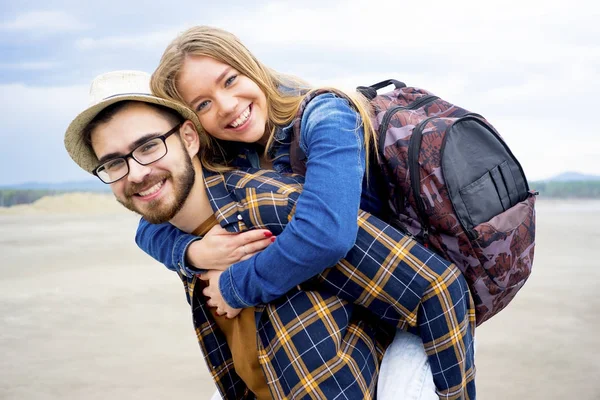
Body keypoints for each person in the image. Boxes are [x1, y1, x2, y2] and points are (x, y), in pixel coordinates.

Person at [64, 71, 474, 399]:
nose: (136, 172)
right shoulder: (182, 234)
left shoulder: (273, 207)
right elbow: (146, 231)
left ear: (189, 138)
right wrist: (188, 254)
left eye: (149, 146)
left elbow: (438, 284)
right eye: (113, 164)